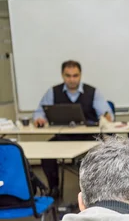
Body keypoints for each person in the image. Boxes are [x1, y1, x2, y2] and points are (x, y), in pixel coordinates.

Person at [33, 60, 114, 198]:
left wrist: (106, 116)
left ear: (80, 75)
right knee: (46, 152)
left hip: (89, 138)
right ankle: (54, 188)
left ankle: (97, 191)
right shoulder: (53, 92)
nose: (72, 79)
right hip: (63, 137)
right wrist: (39, 119)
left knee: (101, 151)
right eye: (68, 76)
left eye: (75, 75)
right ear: (62, 75)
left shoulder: (92, 92)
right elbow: (39, 112)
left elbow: (108, 115)